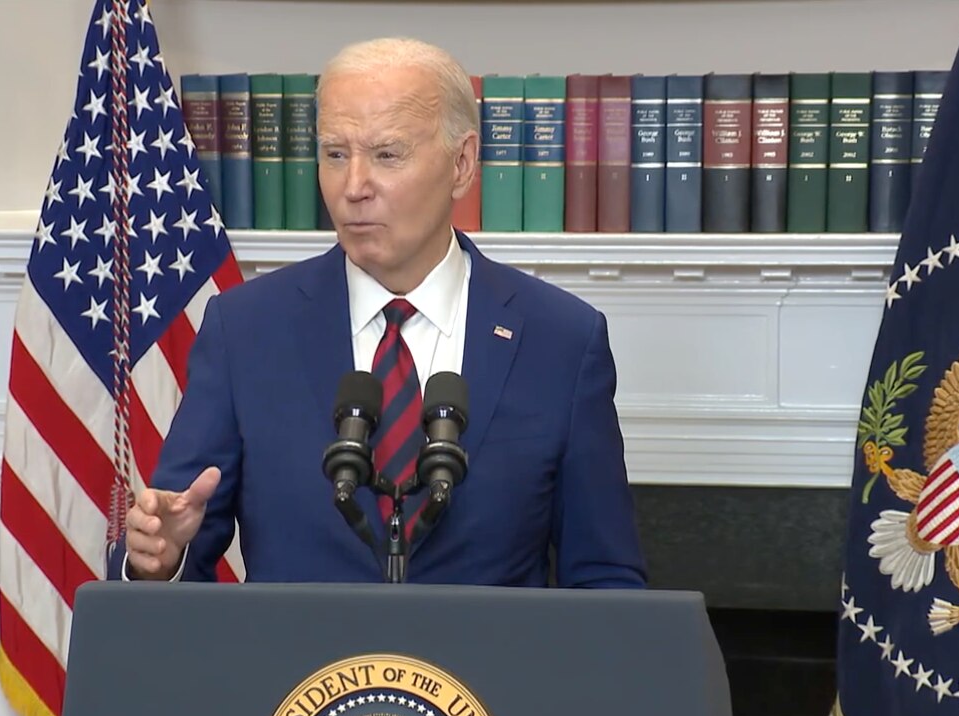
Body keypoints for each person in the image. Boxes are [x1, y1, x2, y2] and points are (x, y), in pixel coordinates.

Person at [111, 37, 647, 588]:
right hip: (300, 673)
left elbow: (607, 579)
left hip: (485, 673)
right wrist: (159, 560)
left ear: (462, 164)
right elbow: (172, 538)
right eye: (335, 154)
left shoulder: (560, 340)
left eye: (387, 155)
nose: (353, 187)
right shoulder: (246, 331)